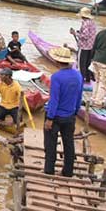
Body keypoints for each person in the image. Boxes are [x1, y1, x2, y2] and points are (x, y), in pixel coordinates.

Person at [43, 46, 83, 177]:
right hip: (70, 116)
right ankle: (68, 171)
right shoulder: (78, 75)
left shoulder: (56, 77)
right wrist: (75, 112)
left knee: (50, 144)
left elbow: (54, 100)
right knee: (68, 144)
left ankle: (49, 170)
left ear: (56, 61)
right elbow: (79, 97)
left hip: (55, 116)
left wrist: (49, 118)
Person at [69, 7, 96, 82]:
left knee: (81, 64)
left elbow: (85, 36)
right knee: (87, 64)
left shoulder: (85, 23)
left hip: (84, 47)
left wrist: (75, 33)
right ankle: (87, 78)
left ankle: (81, 79)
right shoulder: (92, 22)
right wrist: (78, 32)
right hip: (91, 47)